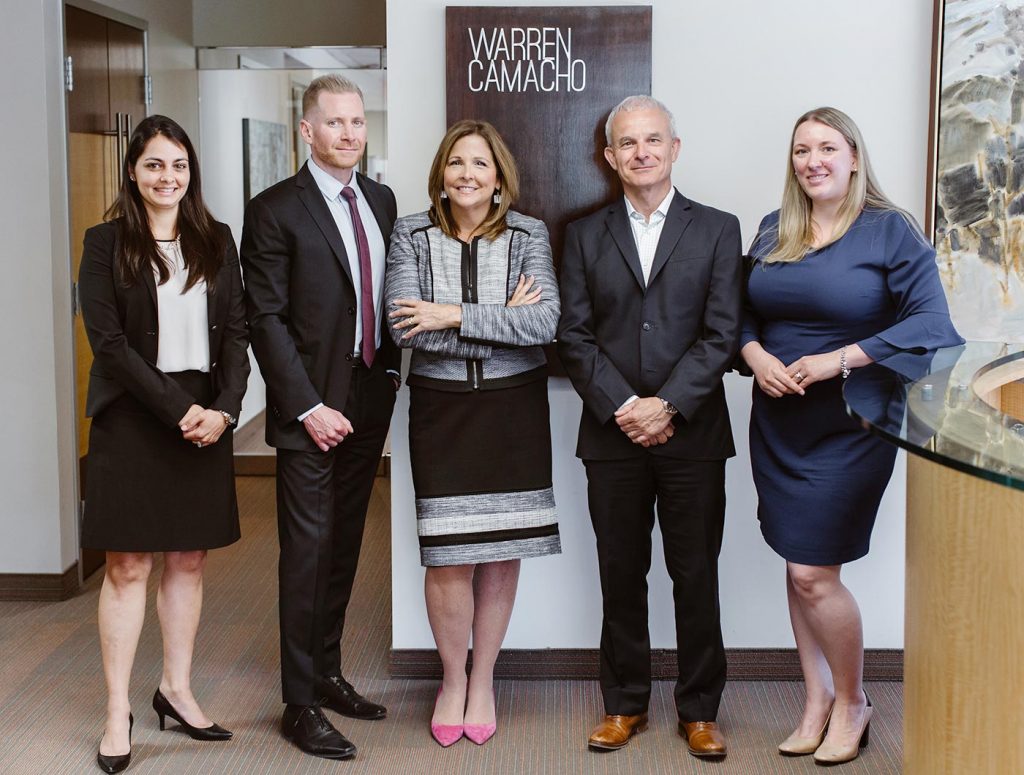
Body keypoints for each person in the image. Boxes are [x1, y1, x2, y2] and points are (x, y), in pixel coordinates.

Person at [740, 106, 962, 765]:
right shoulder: (774, 227)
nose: (813, 161)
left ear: (855, 157)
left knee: (814, 571)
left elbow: (931, 321)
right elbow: (740, 311)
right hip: (779, 419)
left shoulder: (890, 230)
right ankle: (816, 699)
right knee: (796, 559)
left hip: (852, 422)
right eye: (801, 149)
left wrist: (839, 359)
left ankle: (854, 700)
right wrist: (755, 355)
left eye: (827, 148)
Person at [557, 95, 742, 759]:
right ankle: (624, 703)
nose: (642, 152)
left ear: (674, 148)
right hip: (611, 437)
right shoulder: (582, 234)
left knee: (695, 575)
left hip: (693, 433)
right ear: (610, 157)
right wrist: (625, 406)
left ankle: (700, 710)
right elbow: (574, 334)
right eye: (628, 143)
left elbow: (722, 332)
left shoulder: (718, 229)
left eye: (654, 140)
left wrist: (667, 404)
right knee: (620, 572)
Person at [79, 115, 249, 774]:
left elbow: (237, 332)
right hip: (132, 417)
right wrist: (182, 410)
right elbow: (109, 345)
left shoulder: (216, 238)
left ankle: (176, 690)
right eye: (154, 164)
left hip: (205, 414)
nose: (167, 177)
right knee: (127, 565)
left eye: (178, 165)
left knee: (188, 559)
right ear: (133, 171)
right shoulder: (105, 243)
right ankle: (116, 709)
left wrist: (226, 410)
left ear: (190, 172)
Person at [385, 119, 561, 747]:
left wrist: (451, 313)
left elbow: (545, 324)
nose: (467, 174)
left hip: (514, 410)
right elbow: (404, 327)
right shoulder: (410, 233)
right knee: (448, 557)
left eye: (480, 163)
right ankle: (451, 678)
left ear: (498, 176)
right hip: (442, 410)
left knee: (501, 552)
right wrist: (496, 320)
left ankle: (483, 678)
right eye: (456, 162)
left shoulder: (528, 234)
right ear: (441, 173)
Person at [240, 74, 400, 761]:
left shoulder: (381, 200)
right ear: (307, 131)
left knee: (343, 544)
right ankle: (299, 703)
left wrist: (388, 374)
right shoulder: (275, 209)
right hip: (311, 406)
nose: (349, 133)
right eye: (335, 122)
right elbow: (266, 318)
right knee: (306, 552)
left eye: (357, 121)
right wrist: (308, 406)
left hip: (368, 398)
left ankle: (328, 671)